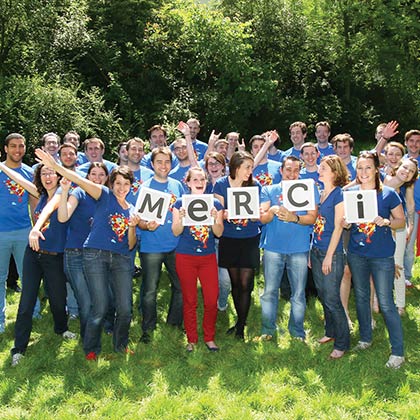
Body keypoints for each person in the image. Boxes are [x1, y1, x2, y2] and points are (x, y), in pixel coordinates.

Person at [35, 148, 140, 360]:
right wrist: (56, 167)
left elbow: (130, 245)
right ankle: (91, 348)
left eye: (126, 184)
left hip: (121, 259)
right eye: (118, 183)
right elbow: (78, 180)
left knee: (125, 308)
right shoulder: (104, 195)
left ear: (131, 186)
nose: (121, 188)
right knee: (99, 306)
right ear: (111, 184)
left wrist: (132, 226)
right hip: (95, 255)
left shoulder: (131, 208)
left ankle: (120, 345)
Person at [7, 163, 76, 366]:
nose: (47, 177)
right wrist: (2, 165)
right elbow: (19, 179)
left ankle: (61, 328)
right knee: (26, 301)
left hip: (55, 257)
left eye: (51, 173)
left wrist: (35, 228)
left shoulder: (65, 195)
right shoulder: (40, 194)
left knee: (58, 299)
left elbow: (51, 209)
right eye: (43, 173)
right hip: (33, 254)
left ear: (58, 176)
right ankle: (19, 349)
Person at [345, 150, 406, 369]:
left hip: (381, 255)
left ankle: (398, 352)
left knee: (386, 302)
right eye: (360, 168)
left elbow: (401, 221)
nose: (363, 172)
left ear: (376, 169)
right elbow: (346, 222)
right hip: (356, 253)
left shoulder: (388, 194)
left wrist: (387, 222)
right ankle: (365, 338)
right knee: (362, 297)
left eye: (368, 167)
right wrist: (345, 223)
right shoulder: (350, 193)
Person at [258, 156, 318, 341]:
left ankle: (297, 331)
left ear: (300, 172)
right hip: (273, 248)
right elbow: (262, 218)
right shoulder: (269, 190)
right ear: (281, 171)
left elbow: (313, 218)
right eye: (288, 170)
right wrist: (272, 210)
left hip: (299, 248)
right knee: (269, 291)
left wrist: (295, 218)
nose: (292, 174)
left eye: (296, 170)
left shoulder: (307, 189)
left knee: (298, 293)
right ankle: (268, 329)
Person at [172, 167, 224, 352]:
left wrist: (214, 220)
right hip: (185, 256)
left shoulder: (215, 203)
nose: (200, 183)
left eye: (202, 179)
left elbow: (219, 233)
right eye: (195, 179)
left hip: (207, 257)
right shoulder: (180, 203)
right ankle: (192, 339)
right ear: (188, 182)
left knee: (211, 299)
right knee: (190, 300)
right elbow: (176, 231)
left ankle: (209, 337)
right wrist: (181, 219)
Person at [57, 162, 110, 339]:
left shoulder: (108, 197)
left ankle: (100, 330)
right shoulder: (79, 193)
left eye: (101, 175)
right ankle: (88, 339)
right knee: (85, 301)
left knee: (100, 298)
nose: (97, 178)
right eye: (93, 174)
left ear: (107, 178)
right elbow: (63, 217)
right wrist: (65, 192)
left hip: (99, 255)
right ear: (87, 177)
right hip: (75, 254)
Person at [137, 146, 185, 344]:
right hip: (151, 247)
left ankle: (174, 323)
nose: (163, 166)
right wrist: (146, 225)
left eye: (167, 162)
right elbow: (138, 219)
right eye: (159, 162)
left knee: (181, 286)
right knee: (150, 290)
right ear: (152, 164)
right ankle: (148, 328)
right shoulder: (145, 187)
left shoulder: (177, 185)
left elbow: (184, 210)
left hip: (176, 245)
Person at [214, 151, 261, 340]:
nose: (250, 171)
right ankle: (240, 321)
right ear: (236, 167)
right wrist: (223, 214)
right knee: (235, 284)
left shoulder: (254, 185)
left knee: (246, 284)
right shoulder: (221, 184)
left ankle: (241, 325)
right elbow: (217, 211)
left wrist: (256, 215)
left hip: (249, 238)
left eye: (251, 167)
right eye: (247, 167)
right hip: (229, 239)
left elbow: (259, 214)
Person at [0, 134, 40, 334]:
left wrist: (36, 228)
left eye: (21, 146)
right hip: (1, 232)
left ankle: (35, 313)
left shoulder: (29, 172)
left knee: (28, 276)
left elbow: (34, 203)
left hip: (24, 231)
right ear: (6, 148)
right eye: (13, 146)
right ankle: (0, 320)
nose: (17, 150)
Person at [311, 155, 350, 359]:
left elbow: (337, 228)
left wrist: (329, 256)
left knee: (333, 298)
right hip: (316, 250)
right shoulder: (321, 193)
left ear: (334, 172)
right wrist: (312, 250)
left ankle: (342, 342)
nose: (319, 170)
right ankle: (330, 331)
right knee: (323, 294)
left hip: (331, 254)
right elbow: (317, 224)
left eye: (324, 168)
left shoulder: (339, 195)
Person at [383, 157, 418, 314]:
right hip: (380, 228)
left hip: (399, 229)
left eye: (411, 171)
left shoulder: (407, 187)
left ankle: (400, 304)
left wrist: (410, 227)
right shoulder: (382, 180)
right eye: (405, 167)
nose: (407, 172)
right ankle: (378, 299)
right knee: (379, 264)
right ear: (398, 167)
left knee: (398, 265)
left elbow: (410, 207)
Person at [204, 152, 231, 311]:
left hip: (225, 238)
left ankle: (222, 301)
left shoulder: (230, 186)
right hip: (206, 238)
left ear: (223, 166)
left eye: (217, 163)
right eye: (210, 164)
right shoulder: (202, 187)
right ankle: (210, 301)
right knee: (209, 277)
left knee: (225, 279)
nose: (214, 167)